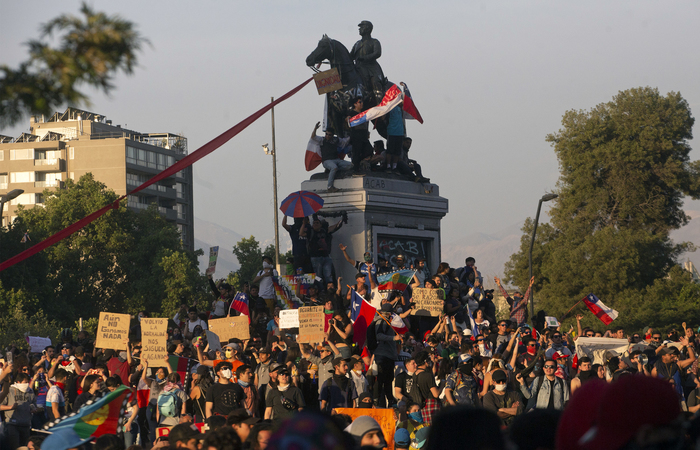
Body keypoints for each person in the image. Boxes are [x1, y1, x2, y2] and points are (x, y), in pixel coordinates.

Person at [350, 21, 386, 104]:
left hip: (371, 68)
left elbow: (377, 53)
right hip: (359, 67)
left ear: (367, 29)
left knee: (376, 82)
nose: (359, 29)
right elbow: (350, 56)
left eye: (362, 27)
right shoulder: (357, 44)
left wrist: (364, 58)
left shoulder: (374, 42)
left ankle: (379, 103)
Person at [373, 303, 402, 407]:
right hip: (384, 355)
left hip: (387, 355)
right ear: (390, 313)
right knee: (383, 379)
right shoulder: (382, 321)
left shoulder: (383, 321)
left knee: (387, 379)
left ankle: (389, 400)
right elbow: (379, 335)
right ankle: (378, 400)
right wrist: (394, 338)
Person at [310, 121, 351, 192]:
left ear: (332, 135)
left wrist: (351, 131)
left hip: (336, 159)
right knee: (334, 167)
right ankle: (329, 186)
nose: (327, 136)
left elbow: (345, 141)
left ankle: (333, 171)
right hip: (326, 161)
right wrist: (315, 129)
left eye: (329, 135)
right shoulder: (322, 140)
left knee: (351, 165)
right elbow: (313, 137)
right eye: (326, 134)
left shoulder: (336, 140)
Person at [302, 215, 343, 285]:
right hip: (315, 257)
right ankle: (321, 290)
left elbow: (335, 227)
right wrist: (303, 223)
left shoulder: (324, 231)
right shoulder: (310, 232)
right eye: (314, 223)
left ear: (321, 224)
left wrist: (341, 220)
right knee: (318, 276)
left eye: (317, 223)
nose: (315, 224)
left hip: (326, 256)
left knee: (329, 275)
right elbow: (301, 233)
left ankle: (330, 289)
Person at [1, 372, 37, 449]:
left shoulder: (30, 391)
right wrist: (10, 407)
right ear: (18, 382)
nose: (27, 384)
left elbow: (34, 403)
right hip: (13, 424)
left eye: (28, 382)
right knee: (15, 446)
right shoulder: (9, 390)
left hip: (26, 424)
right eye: (25, 382)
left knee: (24, 446)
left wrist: (33, 408)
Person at [347, 97, 374, 172]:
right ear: (355, 104)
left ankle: (361, 163)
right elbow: (348, 120)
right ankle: (356, 169)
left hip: (364, 136)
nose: (361, 103)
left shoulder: (363, 114)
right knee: (357, 153)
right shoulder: (352, 113)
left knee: (369, 150)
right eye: (360, 102)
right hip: (356, 136)